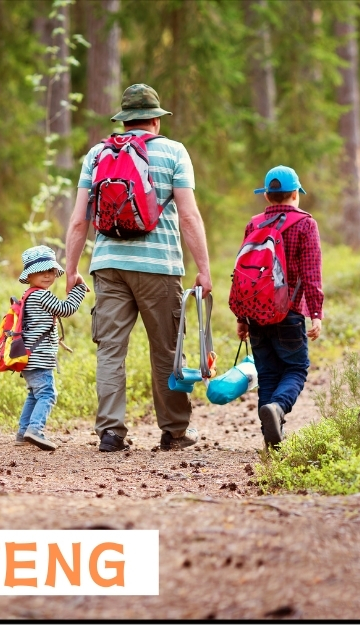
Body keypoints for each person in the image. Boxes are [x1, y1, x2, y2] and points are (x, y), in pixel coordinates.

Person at [62, 83, 213, 453]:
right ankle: (175, 431)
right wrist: (204, 269)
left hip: (108, 266)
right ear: (155, 122)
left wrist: (71, 269)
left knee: (111, 350)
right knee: (165, 350)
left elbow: (80, 220)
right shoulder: (174, 152)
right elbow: (189, 217)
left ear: (125, 120)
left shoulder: (97, 153)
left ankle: (111, 432)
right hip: (159, 267)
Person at [235, 166, 324, 449]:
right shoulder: (305, 224)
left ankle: (271, 439)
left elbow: (243, 274)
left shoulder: (254, 224)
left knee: (269, 373)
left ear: (267, 197)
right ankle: (279, 408)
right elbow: (311, 273)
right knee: (296, 368)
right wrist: (316, 314)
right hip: (290, 312)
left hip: (256, 313)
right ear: (296, 194)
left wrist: (242, 316)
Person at [12, 246, 89, 451]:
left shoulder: (29, 295)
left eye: (51, 271)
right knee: (47, 393)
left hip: (28, 358)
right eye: (41, 271)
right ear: (29, 275)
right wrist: (79, 288)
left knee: (34, 394)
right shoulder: (41, 296)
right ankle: (35, 430)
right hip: (39, 358)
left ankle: (22, 432)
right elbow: (66, 309)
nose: (47, 275)